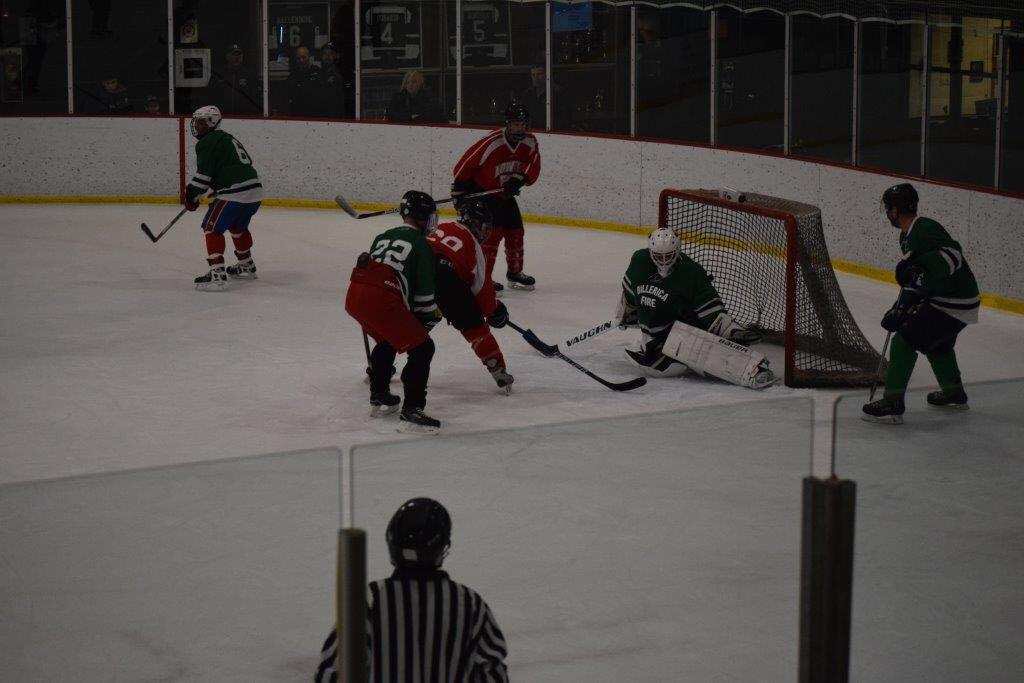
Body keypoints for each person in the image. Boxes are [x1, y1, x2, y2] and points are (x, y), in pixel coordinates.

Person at [316, 497, 509, 682]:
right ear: (441, 548)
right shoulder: (470, 604)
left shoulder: (370, 599)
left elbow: (334, 672)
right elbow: (491, 673)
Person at [862, 183, 980, 424]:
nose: (887, 213)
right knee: (938, 345)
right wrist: (900, 308)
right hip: (953, 300)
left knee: (904, 341)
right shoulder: (907, 236)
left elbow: (952, 256)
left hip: (953, 301)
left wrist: (920, 267)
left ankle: (893, 402)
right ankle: (954, 394)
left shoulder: (924, 227)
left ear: (895, 211)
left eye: (888, 209)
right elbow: (918, 281)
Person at [615, 228, 775, 389]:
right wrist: (625, 313)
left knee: (695, 350)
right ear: (650, 252)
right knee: (664, 362)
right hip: (651, 338)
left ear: (677, 250)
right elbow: (629, 293)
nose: (663, 260)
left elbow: (712, 312)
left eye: (668, 255)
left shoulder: (691, 272)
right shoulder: (640, 262)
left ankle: (753, 370)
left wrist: (733, 331)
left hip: (683, 332)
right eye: (658, 256)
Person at [344, 191, 443, 432]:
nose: (433, 223)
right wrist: (429, 318)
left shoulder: (382, 236)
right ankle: (413, 408)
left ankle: (379, 394)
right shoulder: (422, 245)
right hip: (382, 298)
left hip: (355, 295)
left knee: (388, 339)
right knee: (422, 347)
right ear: (422, 218)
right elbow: (424, 297)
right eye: (430, 217)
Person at [452, 102, 541, 292]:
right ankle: (484, 280)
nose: (520, 128)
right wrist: (459, 190)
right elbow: (464, 164)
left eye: (523, 124)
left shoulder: (530, 141)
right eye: (516, 124)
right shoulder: (492, 142)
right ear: (508, 124)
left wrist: (518, 180)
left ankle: (515, 273)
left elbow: (533, 164)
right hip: (484, 194)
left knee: (516, 231)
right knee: (491, 237)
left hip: (504, 195)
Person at [427, 198, 514, 393]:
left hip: (415, 275)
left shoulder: (442, 226)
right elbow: (481, 289)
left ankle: (383, 360)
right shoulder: (473, 244)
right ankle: (498, 369)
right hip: (445, 278)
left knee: (410, 323)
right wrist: (494, 310)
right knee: (474, 325)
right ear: (478, 224)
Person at [183, 105, 263, 290]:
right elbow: (238, 165)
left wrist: (191, 195)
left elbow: (203, 176)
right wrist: (217, 186)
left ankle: (217, 275)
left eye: (201, 123)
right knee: (237, 227)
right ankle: (246, 265)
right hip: (255, 191)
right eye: (196, 122)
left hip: (234, 193)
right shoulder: (227, 138)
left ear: (212, 123)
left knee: (212, 228)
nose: (197, 126)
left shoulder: (207, 141)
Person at [211, 44, 261, 115]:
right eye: (234, 54)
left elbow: (255, 96)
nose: (237, 57)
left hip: (245, 116)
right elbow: (212, 96)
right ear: (227, 56)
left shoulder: (249, 75)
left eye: (239, 54)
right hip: (223, 115)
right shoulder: (219, 75)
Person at [314, 41, 347, 118]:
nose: (327, 56)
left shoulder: (340, 75)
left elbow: (340, 102)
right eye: (325, 54)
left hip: (333, 117)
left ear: (336, 56)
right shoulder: (316, 74)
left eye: (331, 54)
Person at [287, 45, 321, 115]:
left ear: (309, 57)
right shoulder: (293, 76)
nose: (301, 60)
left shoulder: (318, 73)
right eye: (298, 58)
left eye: (303, 57)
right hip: (298, 115)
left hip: (315, 115)